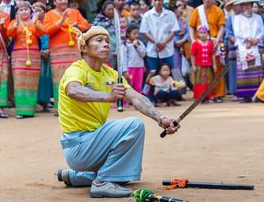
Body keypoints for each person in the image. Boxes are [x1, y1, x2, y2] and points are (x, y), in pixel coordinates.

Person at [56, 26, 179, 198]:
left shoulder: (111, 74)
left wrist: (161, 118)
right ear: (84, 47)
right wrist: (108, 97)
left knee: (123, 175)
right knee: (133, 125)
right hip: (78, 145)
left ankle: (75, 176)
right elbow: (73, 91)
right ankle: (102, 182)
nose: (106, 45)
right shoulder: (77, 70)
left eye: (107, 41)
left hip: (92, 143)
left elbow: (136, 97)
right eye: (99, 41)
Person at [44, 0, 89, 112]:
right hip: (57, 52)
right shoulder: (49, 15)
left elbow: (86, 25)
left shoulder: (75, 12)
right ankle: (61, 107)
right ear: (54, 2)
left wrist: (78, 26)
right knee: (59, 78)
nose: (64, 1)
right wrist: (60, 21)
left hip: (74, 50)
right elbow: (47, 30)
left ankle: (76, 106)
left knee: (75, 76)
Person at [7, 1, 45, 118]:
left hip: (34, 57)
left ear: (30, 11)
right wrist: (16, 25)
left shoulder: (36, 22)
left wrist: (36, 24)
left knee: (32, 83)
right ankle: (21, 110)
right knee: (19, 83)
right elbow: (9, 33)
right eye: (21, 10)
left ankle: (30, 110)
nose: (23, 12)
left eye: (26, 9)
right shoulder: (13, 22)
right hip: (18, 56)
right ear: (17, 12)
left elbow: (42, 33)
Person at [188, 0, 226, 103]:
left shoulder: (218, 11)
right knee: (200, 71)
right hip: (200, 43)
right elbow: (191, 26)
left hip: (214, 41)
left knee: (217, 68)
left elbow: (221, 27)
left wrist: (217, 41)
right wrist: (193, 39)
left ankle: (217, 94)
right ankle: (202, 95)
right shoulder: (197, 10)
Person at [232, 0, 264, 103]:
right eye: (244, 4)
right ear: (241, 6)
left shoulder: (258, 17)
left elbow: (262, 32)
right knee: (244, 71)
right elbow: (237, 32)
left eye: (248, 4)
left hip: (256, 45)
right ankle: (246, 96)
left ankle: (258, 95)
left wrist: (256, 40)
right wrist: (249, 39)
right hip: (243, 46)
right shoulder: (237, 18)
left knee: (257, 70)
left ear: (252, 5)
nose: (246, 6)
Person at [139, 0, 179, 73]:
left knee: (169, 74)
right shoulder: (147, 15)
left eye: (159, 0)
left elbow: (173, 31)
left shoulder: (170, 14)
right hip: (152, 50)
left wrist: (163, 43)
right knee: (153, 74)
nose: (157, 2)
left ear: (163, 0)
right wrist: (157, 42)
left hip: (167, 49)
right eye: (155, 0)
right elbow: (145, 32)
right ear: (151, 1)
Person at [33, 2, 53, 111]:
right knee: (36, 78)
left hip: (49, 53)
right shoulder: (32, 23)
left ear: (45, 12)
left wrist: (49, 51)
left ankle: (45, 103)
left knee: (47, 78)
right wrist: (39, 51)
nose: (38, 13)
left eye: (40, 10)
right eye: (35, 11)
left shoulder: (49, 23)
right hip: (36, 53)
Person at [190, 25, 216, 103]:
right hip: (199, 66)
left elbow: (213, 55)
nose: (203, 34)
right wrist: (193, 65)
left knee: (208, 80)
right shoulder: (195, 43)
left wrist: (214, 65)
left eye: (204, 33)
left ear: (207, 34)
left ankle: (208, 97)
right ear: (198, 34)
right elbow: (192, 54)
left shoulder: (210, 43)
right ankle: (199, 98)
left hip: (208, 66)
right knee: (199, 81)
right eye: (201, 33)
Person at [224, 0, 242, 100]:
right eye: (233, 5)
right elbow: (228, 33)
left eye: (237, 5)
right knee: (233, 69)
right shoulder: (230, 18)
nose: (235, 7)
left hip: (245, 45)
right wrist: (237, 42)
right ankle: (234, 92)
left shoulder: (246, 16)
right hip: (233, 45)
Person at [170, 0, 190, 96]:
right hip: (172, 48)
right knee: (175, 69)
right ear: (174, 9)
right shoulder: (170, 20)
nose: (182, 11)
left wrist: (182, 41)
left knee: (184, 69)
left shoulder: (184, 21)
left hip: (184, 47)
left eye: (183, 8)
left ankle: (182, 91)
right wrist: (175, 41)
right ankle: (176, 93)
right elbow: (168, 32)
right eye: (180, 8)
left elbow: (188, 33)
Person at [92, 0, 117, 68]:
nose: (111, 11)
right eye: (109, 9)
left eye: (112, 9)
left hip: (118, 48)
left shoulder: (115, 20)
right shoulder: (99, 21)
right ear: (104, 10)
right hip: (108, 49)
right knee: (110, 69)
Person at [122, 24, 146, 94]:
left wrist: (137, 46)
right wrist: (125, 70)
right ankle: (124, 102)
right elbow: (123, 58)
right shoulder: (125, 45)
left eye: (137, 33)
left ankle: (138, 102)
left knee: (138, 86)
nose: (136, 35)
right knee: (128, 85)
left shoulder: (140, 43)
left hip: (140, 67)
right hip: (130, 68)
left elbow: (143, 54)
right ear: (128, 34)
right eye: (134, 33)